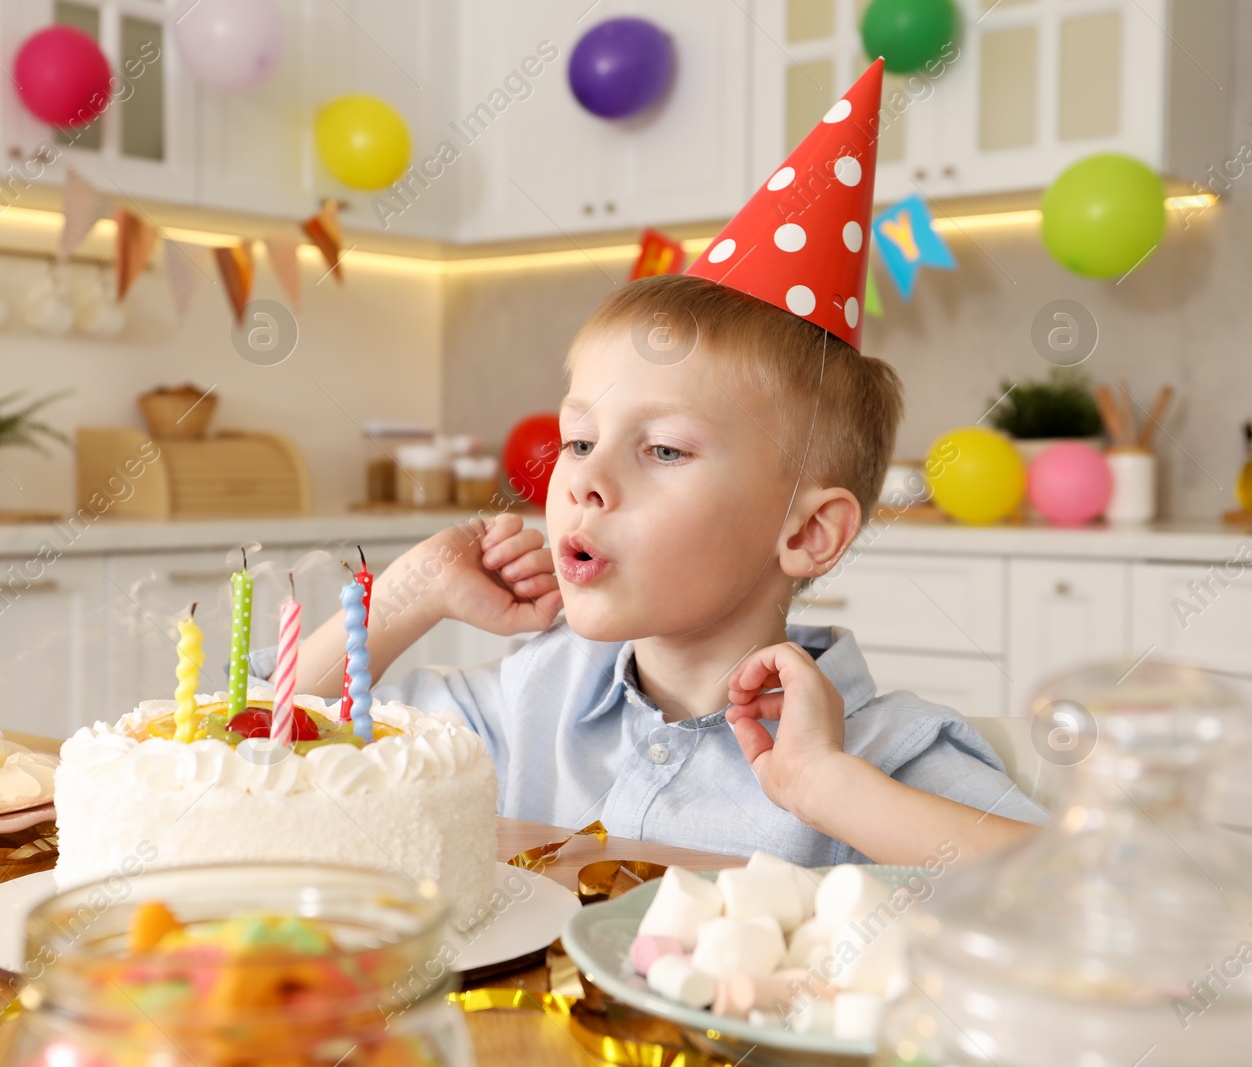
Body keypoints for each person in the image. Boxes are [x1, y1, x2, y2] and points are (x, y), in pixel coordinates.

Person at [262, 59, 1047, 867]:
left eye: (664, 448)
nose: (583, 480)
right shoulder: (535, 699)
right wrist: (407, 592)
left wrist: (828, 787)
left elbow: (1098, 904)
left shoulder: (881, 753)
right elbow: (264, 734)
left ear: (810, 532)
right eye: (578, 440)